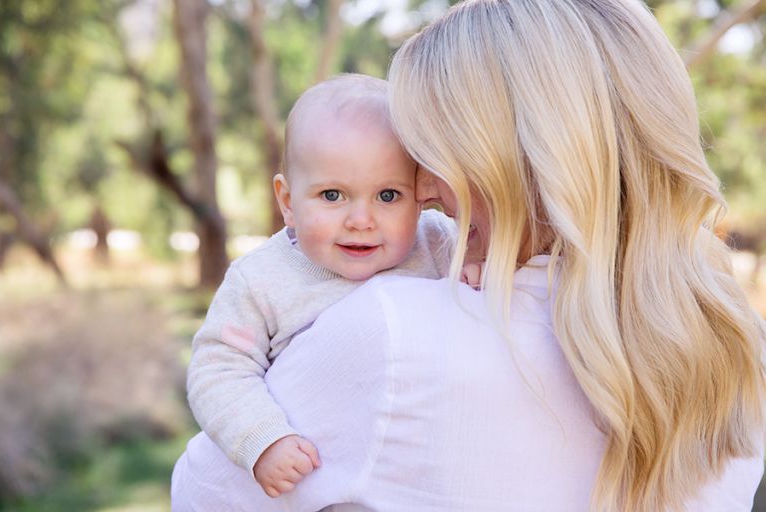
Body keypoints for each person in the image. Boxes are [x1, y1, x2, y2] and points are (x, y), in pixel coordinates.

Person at [173, 0, 766, 510]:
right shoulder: (733, 343)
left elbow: (203, 496)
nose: (427, 191)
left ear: (521, 158)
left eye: (437, 156)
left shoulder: (394, 330)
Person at [186, 74, 457, 498]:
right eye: (333, 195)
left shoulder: (437, 243)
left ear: (422, 194)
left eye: (388, 195)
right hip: (317, 482)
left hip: (418, 477)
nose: (361, 220)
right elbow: (218, 368)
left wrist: (478, 265)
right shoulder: (261, 280)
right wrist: (264, 438)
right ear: (288, 202)